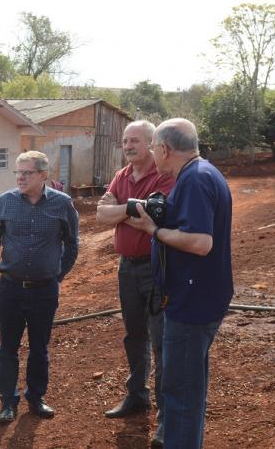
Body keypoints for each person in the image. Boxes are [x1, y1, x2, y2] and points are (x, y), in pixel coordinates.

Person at [124, 118, 233, 449]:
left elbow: (200, 242)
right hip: (199, 296)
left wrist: (154, 231)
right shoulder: (202, 172)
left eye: (153, 148)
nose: (153, 154)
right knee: (190, 386)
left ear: (164, 149)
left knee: (180, 392)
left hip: (191, 302)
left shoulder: (194, 179)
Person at [0, 151, 79, 424]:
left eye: (26, 173)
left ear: (43, 175)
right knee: (7, 347)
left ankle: (36, 397)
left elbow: (72, 244)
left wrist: (57, 275)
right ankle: (7, 401)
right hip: (11, 288)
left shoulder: (62, 204)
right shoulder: (6, 201)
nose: (20, 178)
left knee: (39, 347)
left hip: (45, 290)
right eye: (18, 172)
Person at [96, 120, 175, 445]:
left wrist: (119, 210)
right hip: (126, 268)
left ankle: (166, 417)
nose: (128, 146)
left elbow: (156, 216)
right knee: (134, 335)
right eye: (125, 141)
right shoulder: (122, 175)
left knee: (160, 340)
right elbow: (100, 214)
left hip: (156, 268)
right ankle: (137, 395)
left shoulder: (165, 175)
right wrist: (133, 209)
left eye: (135, 141)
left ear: (152, 144)